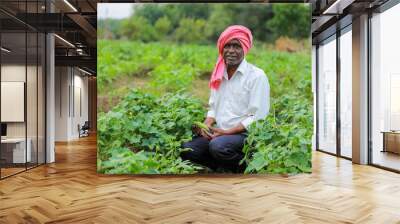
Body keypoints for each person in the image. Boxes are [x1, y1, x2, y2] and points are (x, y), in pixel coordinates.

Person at [181, 25, 270, 173]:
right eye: (227, 45)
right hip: (220, 134)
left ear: (245, 48)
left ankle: (248, 168)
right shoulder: (218, 75)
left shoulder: (256, 76)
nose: (231, 51)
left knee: (218, 146)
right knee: (188, 149)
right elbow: (213, 108)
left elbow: (257, 117)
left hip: (245, 134)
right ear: (221, 48)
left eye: (236, 46)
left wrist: (227, 132)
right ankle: (222, 167)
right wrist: (206, 126)